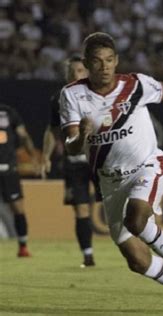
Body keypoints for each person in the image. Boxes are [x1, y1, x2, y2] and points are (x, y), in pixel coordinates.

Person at [59, 32, 163, 314]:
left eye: (110, 60)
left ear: (116, 60)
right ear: (86, 64)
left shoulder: (134, 84)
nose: (105, 66)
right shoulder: (72, 95)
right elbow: (72, 148)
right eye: (97, 61)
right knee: (136, 260)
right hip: (109, 181)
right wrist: (82, 136)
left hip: (146, 165)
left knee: (136, 219)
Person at [41, 55, 99, 268]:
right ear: (66, 75)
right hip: (74, 162)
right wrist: (46, 157)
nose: (76, 75)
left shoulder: (100, 94)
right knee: (81, 209)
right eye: (72, 71)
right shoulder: (59, 98)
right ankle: (88, 255)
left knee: (115, 205)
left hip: (99, 161)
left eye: (81, 71)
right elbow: (52, 130)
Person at [0, 103, 39, 257]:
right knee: (17, 208)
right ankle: (22, 246)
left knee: (18, 208)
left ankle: (23, 246)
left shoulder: (9, 111)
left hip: (9, 169)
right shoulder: (8, 112)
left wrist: (33, 157)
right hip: (8, 169)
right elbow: (23, 135)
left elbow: (23, 135)